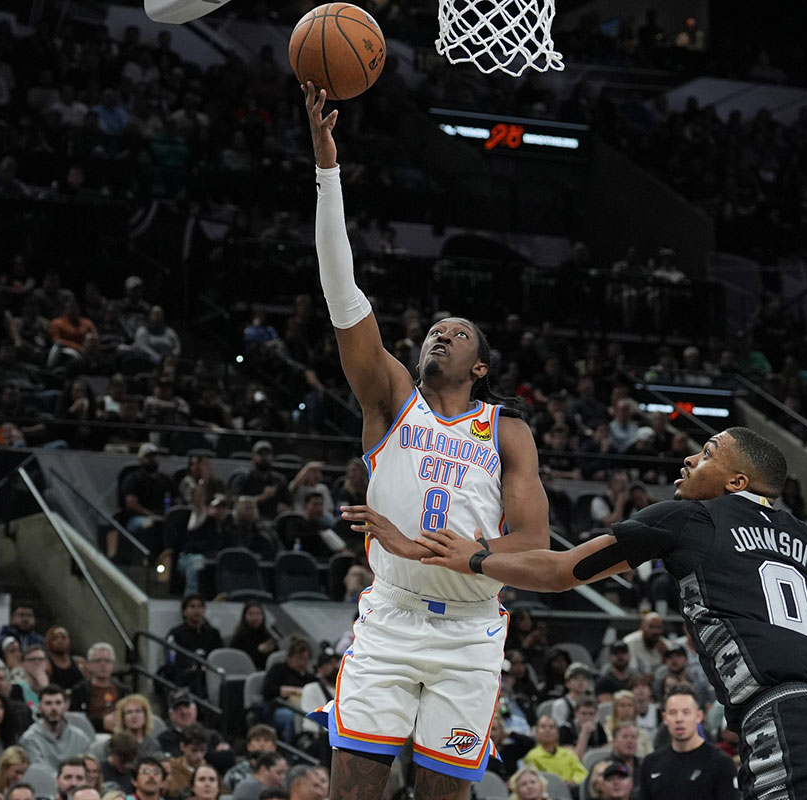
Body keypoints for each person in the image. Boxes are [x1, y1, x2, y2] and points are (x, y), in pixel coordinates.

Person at [403, 427, 807, 799]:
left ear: (737, 483)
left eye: (706, 453)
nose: (688, 460)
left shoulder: (689, 518)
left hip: (790, 723)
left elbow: (561, 572)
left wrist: (476, 559)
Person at [303, 81, 550, 796]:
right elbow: (342, 294)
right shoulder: (389, 400)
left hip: (472, 631)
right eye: (433, 328)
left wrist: (457, 552)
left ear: (480, 365)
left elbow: (533, 543)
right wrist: (327, 169)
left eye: (458, 331)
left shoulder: (508, 431)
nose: (440, 331)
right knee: (353, 786)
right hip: (391, 617)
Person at [637, 687, 738, 800]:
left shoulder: (721, 763)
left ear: (699, 716)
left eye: (686, 712)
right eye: (673, 712)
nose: (679, 719)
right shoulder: (651, 763)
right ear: (665, 718)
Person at [18, 685, 92, 769]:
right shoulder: (29, 740)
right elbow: (37, 772)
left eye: (58, 703)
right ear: (40, 707)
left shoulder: (80, 738)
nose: (54, 708)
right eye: (48, 703)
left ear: (65, 706)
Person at [164, 595, 224, 689]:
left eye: (200, 606)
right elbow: (172, 658)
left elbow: (220, 655)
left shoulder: (213, 633)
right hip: (185, 675)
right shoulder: (176, 633)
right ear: (184, 611)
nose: (197, 610)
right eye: (192, 607)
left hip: (210, 674)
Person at [263, 640, 314, 743]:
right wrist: (295, 691)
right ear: (290, 657)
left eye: (305, 659)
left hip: (304, 708)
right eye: (299, 658)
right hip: (280, 706)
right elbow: (268, 690)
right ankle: (292, 750)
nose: (302, 662)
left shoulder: (309, 677)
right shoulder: (279, 669)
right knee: (293, 718)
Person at [67, 643, 126, 732]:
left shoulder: (123, 691)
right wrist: (101, 722)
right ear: (89, 665)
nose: (103, 664)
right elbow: (73, 722)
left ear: (113, 665)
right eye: (98, 661)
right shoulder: (78, 691)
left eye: (107, 661)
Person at [230, 442, 291, 519]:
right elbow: (235, 502)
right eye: (260, 454)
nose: (264, 458)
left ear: (272, 456)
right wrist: (262, 497)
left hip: (274, 521)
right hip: (249, 521)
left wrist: (285, 508)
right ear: (253, 457)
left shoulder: (279, 480)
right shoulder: (243, 478)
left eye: (267, 454)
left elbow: (289, 503)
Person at [522, 716, 587, 786]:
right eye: (543, 727)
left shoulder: (569, 754)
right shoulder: (531, 757)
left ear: (557, 733)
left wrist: (574, 780)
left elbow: (581, 772)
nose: (547, 730)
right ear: (536, 733)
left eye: (552, 727)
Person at [222, 724, 278, 792]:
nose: (262, 744)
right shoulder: (237, 772)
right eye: (257, 740)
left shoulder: (282, 773)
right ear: (249, 746)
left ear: (274, 747)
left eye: (266, 740)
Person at [227, 603, 277, 671]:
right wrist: (258, 651)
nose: (255, 618)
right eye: (250, 614)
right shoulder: (239, 637)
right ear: (244, 616)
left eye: (258, 614)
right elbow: (236, 659)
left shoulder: (267, 636)